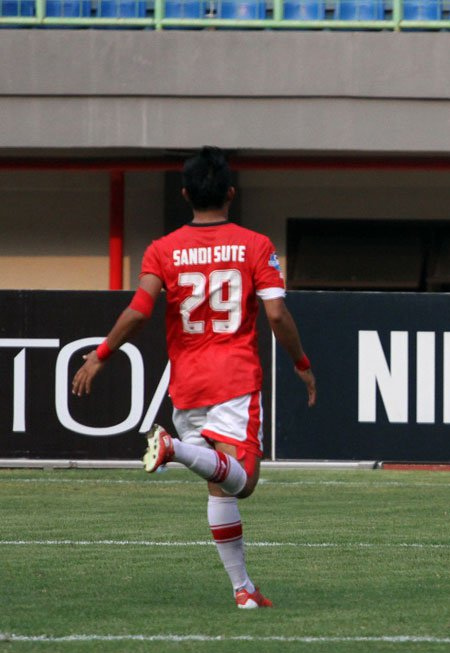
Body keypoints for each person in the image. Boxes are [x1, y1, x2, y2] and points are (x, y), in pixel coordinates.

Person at [72, 146, 317, 607]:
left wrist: (102, 354)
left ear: (185, 193)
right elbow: (278, 315)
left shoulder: (162, 250)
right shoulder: (255, 245)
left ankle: (242, 589)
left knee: (218, 483)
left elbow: (140, 310)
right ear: (231, 192)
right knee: (242, 482)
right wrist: (301, 363)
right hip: (235, 380)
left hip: (187, 383)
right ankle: (174, 448)